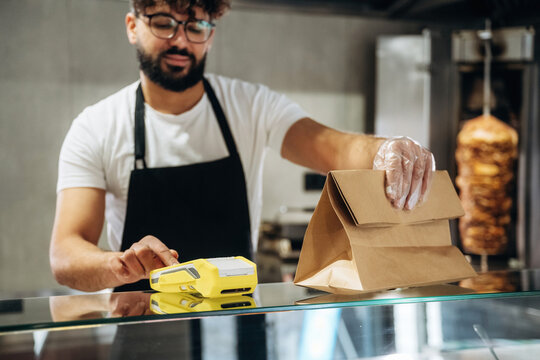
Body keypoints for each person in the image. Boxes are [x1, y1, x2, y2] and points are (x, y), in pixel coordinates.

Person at [50, 0, 435, 292]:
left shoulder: (250, 106)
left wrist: (386, 149)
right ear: (133, 26)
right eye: (164, 23)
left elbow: (331, 147)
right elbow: (66, 252)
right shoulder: (96, 127)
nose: (181, 41)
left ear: (211, 35)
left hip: (237, 330)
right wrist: (121, 264)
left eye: (197, 26)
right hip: (143, 331)